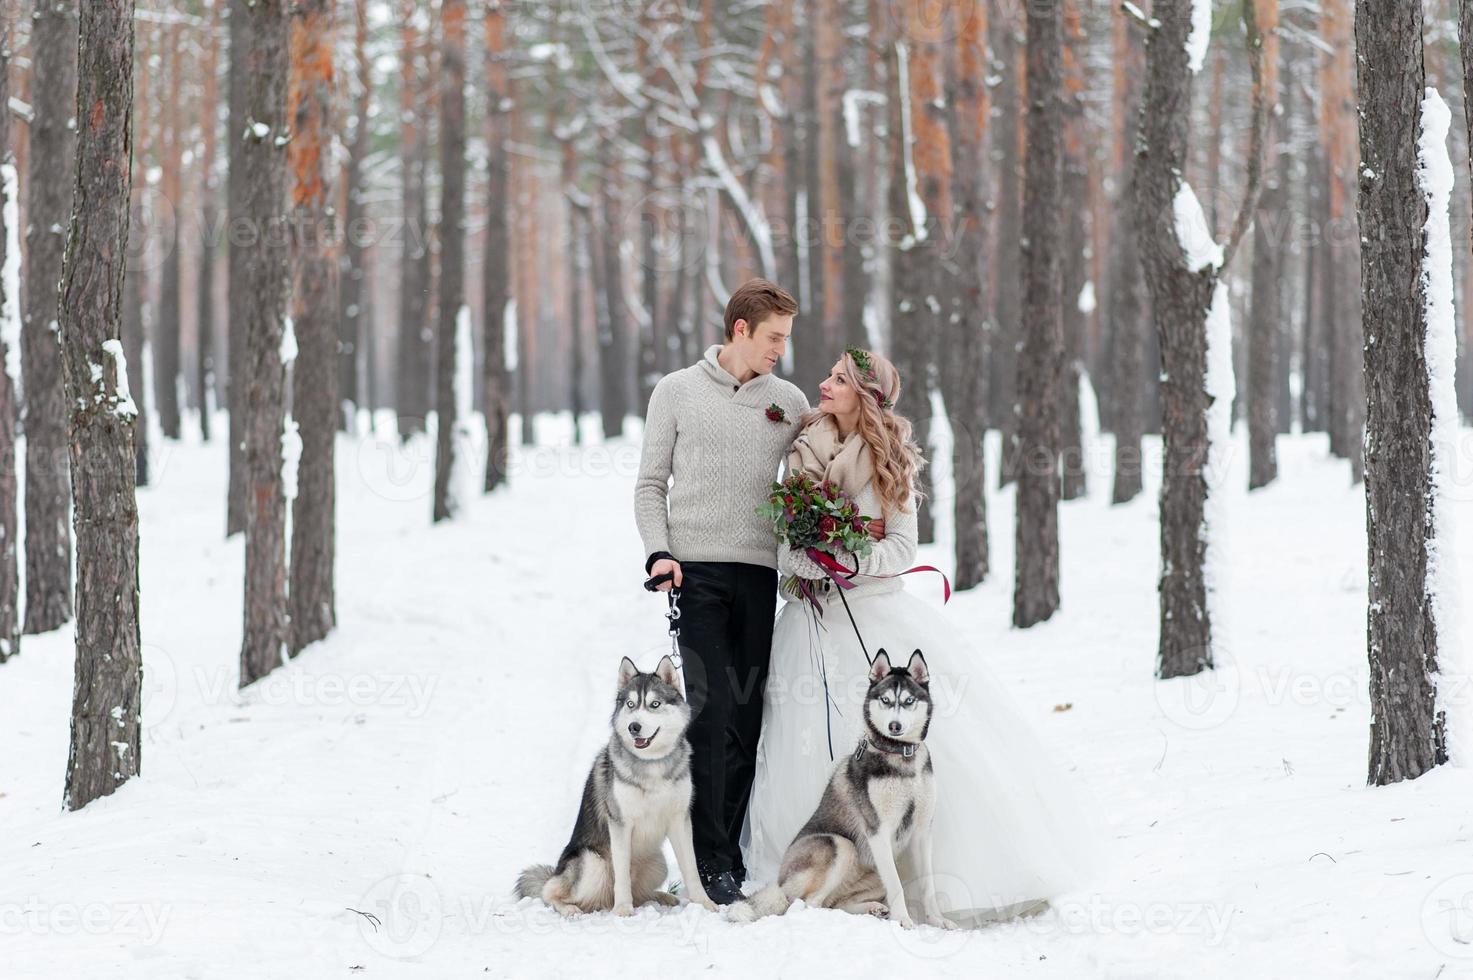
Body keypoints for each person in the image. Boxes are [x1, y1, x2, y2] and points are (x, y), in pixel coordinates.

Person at [741, 346, 1107, 926]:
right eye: (830, 374)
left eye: (838, 378)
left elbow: (904, 548)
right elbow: (785, 546)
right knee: (802, 744)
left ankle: (928, 880)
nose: (824, 382)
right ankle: (825, 871)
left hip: (877, 615)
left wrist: (847, 559)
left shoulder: (890, 464)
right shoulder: (803, 450)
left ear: (864, 395)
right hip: (812, 622)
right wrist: (808, 564)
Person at [633, 278, 810, 904]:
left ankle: (728, 848)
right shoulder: (675, 392)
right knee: (707, 714)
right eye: (773, 338)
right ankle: (710, 863)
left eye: (785, 340)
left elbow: (815, 470)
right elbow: (651, 483)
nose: (780, 351)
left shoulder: (787, 401)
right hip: (695, 572)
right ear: (741, 330)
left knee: (745, 716)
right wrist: (660, 552)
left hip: (760, 575)